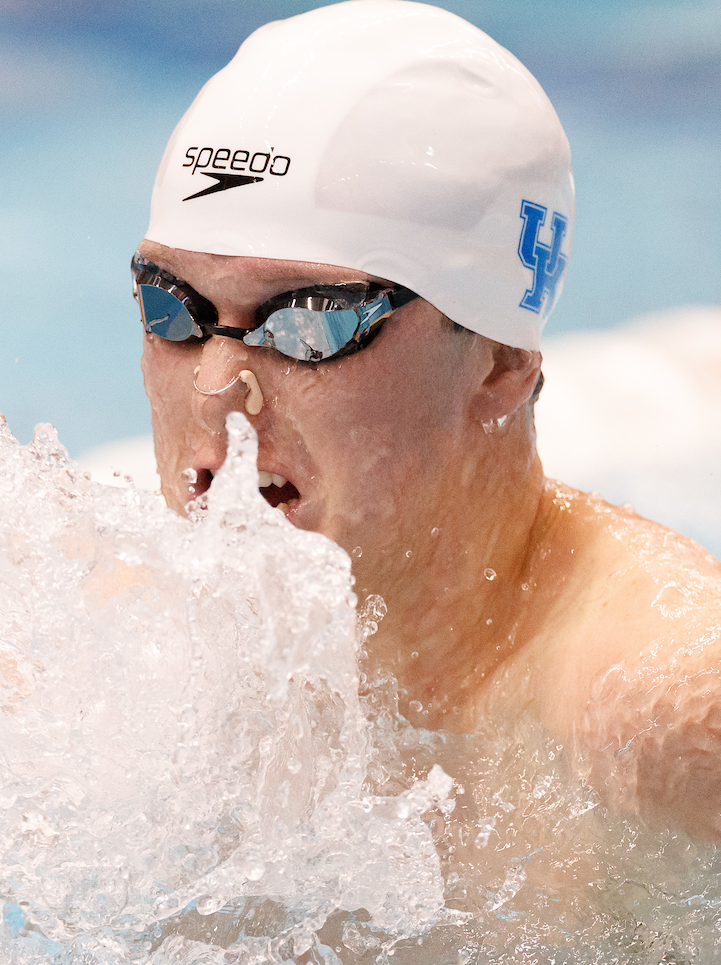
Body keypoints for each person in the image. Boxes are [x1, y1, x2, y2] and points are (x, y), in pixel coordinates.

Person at [133, 0, 721, 843]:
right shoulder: (101, 655)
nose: (216, 389)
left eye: (311, 321)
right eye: (173, 310)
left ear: (499, 361)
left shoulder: (665, 708)